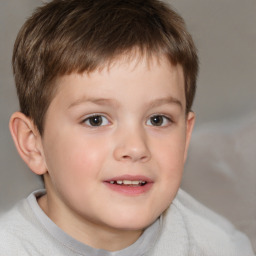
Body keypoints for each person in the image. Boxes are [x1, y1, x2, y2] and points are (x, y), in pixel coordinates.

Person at [0, 0, 254, 255]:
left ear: (185, 138)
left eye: (158, 120)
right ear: (32, 143)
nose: (135, 148)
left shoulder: (220, 246)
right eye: (96, 120)